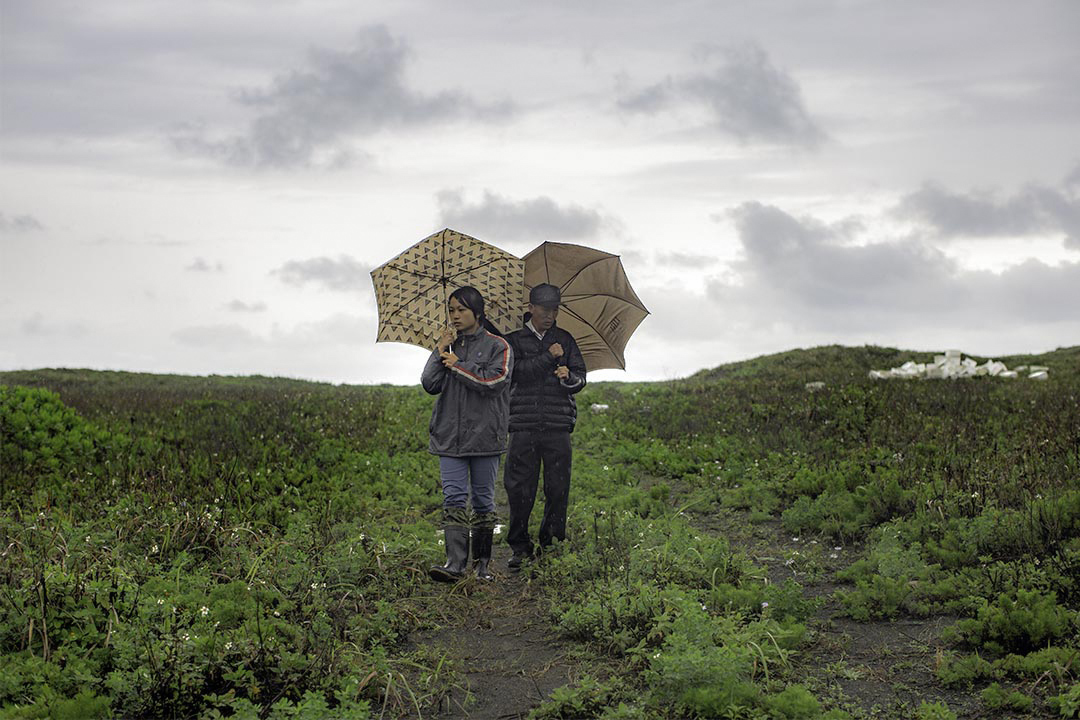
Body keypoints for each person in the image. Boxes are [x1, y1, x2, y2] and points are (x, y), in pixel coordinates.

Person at [421, 286, 513, 582]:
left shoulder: (499, 346)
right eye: (451, 310)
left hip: (485, 436)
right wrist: (440, 353)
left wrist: (459, 365)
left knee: (483, 500)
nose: (455, 315)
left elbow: (494, 381)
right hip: (450, 435)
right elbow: (429, 383)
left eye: (461, 309)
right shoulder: (450, 346)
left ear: (478, 312)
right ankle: (454, 563)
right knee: (454, 498)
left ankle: (482, 565)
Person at [503, 283, 586, 571]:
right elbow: (515, 374)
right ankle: (520, 548)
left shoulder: (566, 339)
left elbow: (580, 377)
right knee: (519, 488)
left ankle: (551, 545)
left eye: (554, 309)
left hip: (558, 424)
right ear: (531, 308)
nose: (550, 315)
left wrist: (568, 376)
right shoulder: (512, 340)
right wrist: (548, 357)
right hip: (522, 425)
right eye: (545, 309)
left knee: (558, 487)